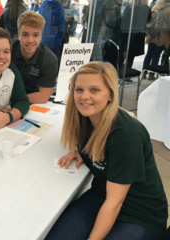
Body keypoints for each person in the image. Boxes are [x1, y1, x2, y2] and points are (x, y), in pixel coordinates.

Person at [45, 61, 168, 240]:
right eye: (79, 89)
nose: (84, 96)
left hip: (140, 212)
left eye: (94, 90)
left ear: (110, 94)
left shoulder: (126, 135)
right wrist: (83, 152)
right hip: (101, 195)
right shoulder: (84, 120)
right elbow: (104, 148)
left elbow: (115, 202)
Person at [11, 11, 58, 104]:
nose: (30, 40)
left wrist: (10, 100)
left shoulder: (49, 60)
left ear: (41, 36)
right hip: (8, 96)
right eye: (25, 34)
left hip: (33, 102)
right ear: (19, 34)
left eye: (35, 35)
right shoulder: (7, 49)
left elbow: (42, 97)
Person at [142, 0, 170, 80]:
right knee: (156, 56)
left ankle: (144, 73)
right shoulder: (169, 9)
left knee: (149, 54)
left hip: (152, 34)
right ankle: (151, 74)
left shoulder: (155, 6)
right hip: (162, 35)